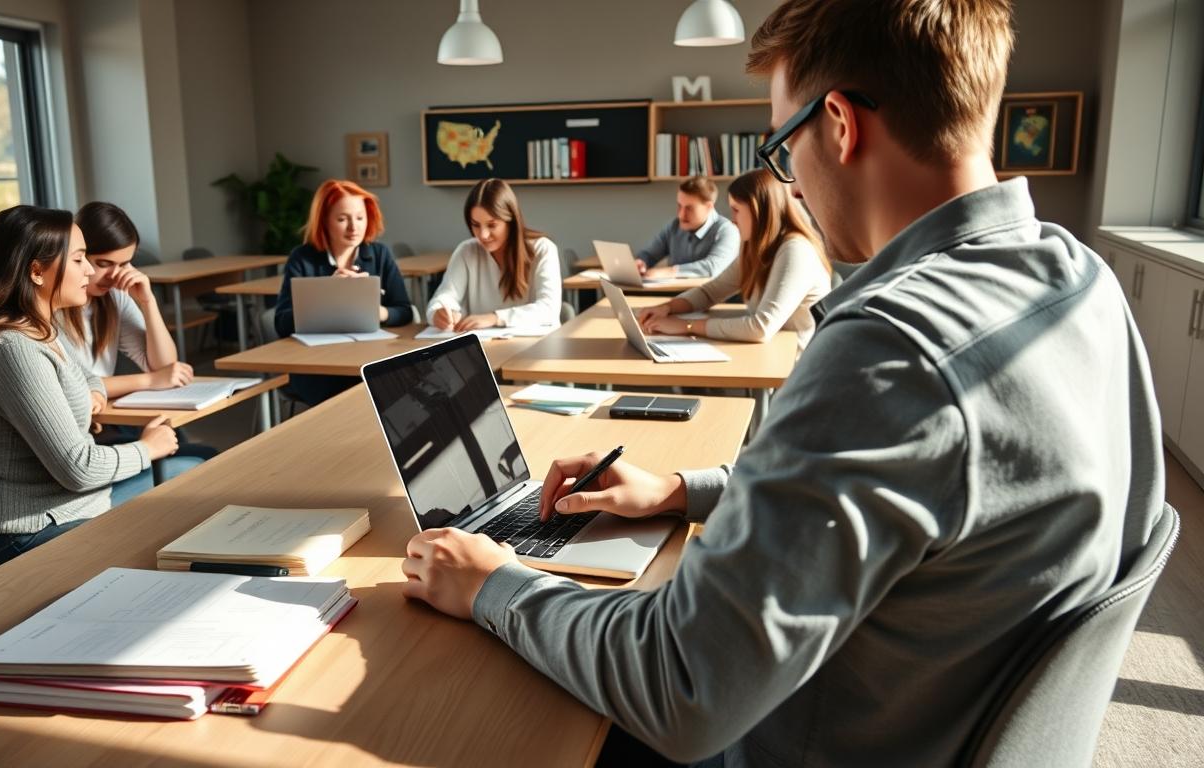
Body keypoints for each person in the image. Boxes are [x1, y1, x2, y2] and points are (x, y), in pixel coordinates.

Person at [396, 1, 1165, 765]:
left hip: (792, 741)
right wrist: (682, 489)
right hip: (938, 715)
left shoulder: (890, 351)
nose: (789, 180)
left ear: (838, 123)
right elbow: (912, 489)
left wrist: (495, 584)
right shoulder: (1080, 282)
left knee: (465, 714)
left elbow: (680, 684)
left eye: (780, 146)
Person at [0, 206, 194, 566]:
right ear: (37, 271)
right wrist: (146, 448)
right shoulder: (13, 350)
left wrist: (90, 393)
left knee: (196, 477)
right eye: (78, 260)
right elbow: (79, 468)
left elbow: (87, 378)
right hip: (28, 534)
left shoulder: (39, 331)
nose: (89, 270)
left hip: (66, 511)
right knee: (192, 493)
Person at [60, 201, 217, 460]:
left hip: (104, 418)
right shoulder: (53, 308)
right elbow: (76, 388)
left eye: (124, 264)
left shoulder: (115, 298)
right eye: (104, 263)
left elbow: (165, 366)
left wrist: (147, 302)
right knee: (200, 455)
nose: (114, 275)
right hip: (83, 432)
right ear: (78, 256)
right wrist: (151, 381)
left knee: (188, 446)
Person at [637, 168, 831, 351]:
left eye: (736, 210)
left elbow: (760, 327)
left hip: (794, 364)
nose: (732, 219)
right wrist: (666, 308)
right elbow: (710, 293)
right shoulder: (755, 247)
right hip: (768, 353)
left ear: (758, 211)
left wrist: (686, 326)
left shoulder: (795, 250)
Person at [273, 179, 413, 406]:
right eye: (342, 219)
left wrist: (377, 313)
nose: (354, 227)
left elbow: (405, 311)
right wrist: (327, 294)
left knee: (398, 385)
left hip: (371, 358)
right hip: (318, 368)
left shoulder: (379, 254)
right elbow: (282, 323)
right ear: (324, 221)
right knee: (359, 396)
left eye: (360, 218)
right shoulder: (302, 258)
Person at [426, 178, 562, 331]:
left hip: (536, 348)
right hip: (485, 348)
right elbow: (445, 296)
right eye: (476, 225)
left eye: (492, 225)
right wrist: (439, 312)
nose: (483, 235)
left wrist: (495, 318)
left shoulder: (543, 249)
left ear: (510, 221)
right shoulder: (466, 251)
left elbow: (548, 309)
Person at [633, 176, 740, 278]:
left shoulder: (727, 230)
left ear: (709, 207)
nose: (681, 215)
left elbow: (713, 267)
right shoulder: (674, 226)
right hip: (675, 293)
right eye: (679, 206)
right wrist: (641, 263)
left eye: (689, 208)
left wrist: (671, 271)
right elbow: (649, 254)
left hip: (713, 296)